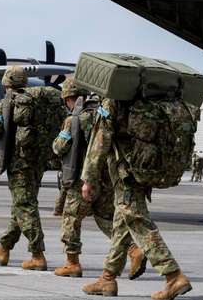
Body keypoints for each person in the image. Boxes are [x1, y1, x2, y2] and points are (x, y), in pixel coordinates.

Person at [79, 98, 192, 298]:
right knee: (122, 222)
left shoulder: (112, 101)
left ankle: (173, 275)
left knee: (135, 218)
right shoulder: (148, 98)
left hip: (125, 171)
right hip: (144, 166)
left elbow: (100, 139)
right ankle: (107, 278)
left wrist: (88, 178)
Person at [51, 78, 144, 280]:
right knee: (105, 218)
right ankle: (134, 248)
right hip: (108, 176)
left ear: (70, 97)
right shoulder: (106, 112)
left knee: (71, 218)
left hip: (82, 178)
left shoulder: (75, 118)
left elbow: (60, 146)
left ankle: (72, 263)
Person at [0, 65, 51, 271]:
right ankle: (3, 249)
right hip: (39, 161)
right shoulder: (41, 102)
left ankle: (37, 255)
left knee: (25, 207)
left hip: (19, 163)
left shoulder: (7, 102)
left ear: (6, 85)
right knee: (21, 206)